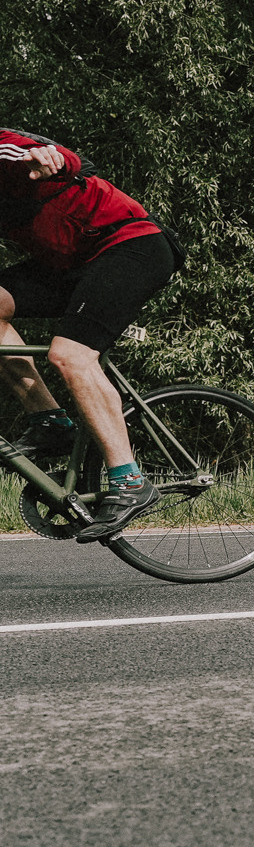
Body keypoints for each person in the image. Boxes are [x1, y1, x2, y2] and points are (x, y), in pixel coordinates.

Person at [1, 127, 180, 540]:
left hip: (130, 246)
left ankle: (130, 481)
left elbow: (60, 157)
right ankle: (51, 422)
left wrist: (51, 159)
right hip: (70, 264)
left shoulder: (5, 151)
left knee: (70, 355)